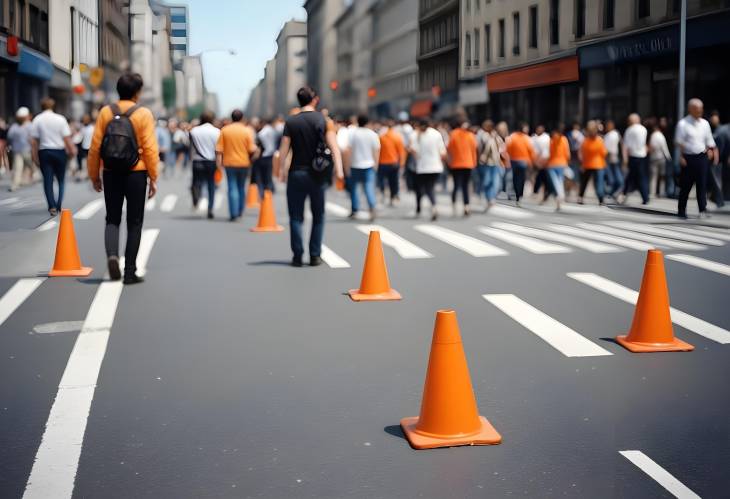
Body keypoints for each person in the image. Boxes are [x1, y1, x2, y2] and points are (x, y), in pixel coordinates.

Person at [87, 72, 159, 284]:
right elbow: (150, 149)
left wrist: (94, 175)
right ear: (137, 92)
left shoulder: (105, 112)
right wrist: (153, 177)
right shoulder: (143, 114)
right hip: (136, 172)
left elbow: (95, 148)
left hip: (110, 171)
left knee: (112, 218)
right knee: (135, 222)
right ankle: (129, 272)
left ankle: (112, 255)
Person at [278, 86, 344, 267]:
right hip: (318, 174)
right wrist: (339, 170)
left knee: (296, 216)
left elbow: (284, 149)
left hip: (296, 173)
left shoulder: (291, 121)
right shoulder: (324, 120)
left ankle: (297, 256)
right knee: (318, 215)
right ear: (314, 100)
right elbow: (334, 147)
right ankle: (315, 255)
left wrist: (281, 171)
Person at [30, 98, 76, 216]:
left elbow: (34, 141)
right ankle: (59, 203)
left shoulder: (37, 119)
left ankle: (52, 206)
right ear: (53, 106)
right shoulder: (60, 119)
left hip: (44, 152)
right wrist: (72, 150)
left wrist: (34, 156)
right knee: (61, 180)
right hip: (59, 152)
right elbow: (67, 138)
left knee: (47, 180)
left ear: (42, 106)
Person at [675, 98, 718, 219]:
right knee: (686, 185)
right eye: (697, 109)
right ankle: (681, 210)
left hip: (702, 157)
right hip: (688, 158)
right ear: (690, 109)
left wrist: (710, 150)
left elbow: (709, 140)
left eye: (701, 109)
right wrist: (681, 157)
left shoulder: (705, 123)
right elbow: (679, 143)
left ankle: (702, 210)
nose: (700, 111)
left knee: (702, 185)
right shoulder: (683, 124)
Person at [216, 109, 258, 221]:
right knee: (241, 187)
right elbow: (251, 149)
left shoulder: (224, 130)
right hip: (244, 163)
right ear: (242, 118)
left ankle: (233, 213)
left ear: (231, 118)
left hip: (229, 163)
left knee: (231, 187)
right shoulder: (247, 131)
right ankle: (240, 211)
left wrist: (218, 165)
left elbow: (219, 150)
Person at [409, 119, 446, 221]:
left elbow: (413, 150)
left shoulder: (415, 135)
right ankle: (431, 206)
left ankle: (429, 207)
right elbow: (442, 152)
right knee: (430, 187)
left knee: (422, 189)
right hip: (436, 166)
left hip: (422, 167)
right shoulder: (436, 133)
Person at [347, 114, 380, 221]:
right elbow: (376, 151)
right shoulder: (372, 134)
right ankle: (372, 207)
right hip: (369, 165)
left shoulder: (353, 133)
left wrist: (347, 165)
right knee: (368, 187)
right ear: (368, 122)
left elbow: (348, 150)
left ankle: (355, 209)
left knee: (354, 189)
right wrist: (376, 164)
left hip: (355, 164)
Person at [190, 111, 220, 219]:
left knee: (196, 183)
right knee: (211, 185)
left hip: (197, 160)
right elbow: (218, 150)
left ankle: (196, 199)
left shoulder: (194, 131)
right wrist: (219, 164)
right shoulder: (217, 131)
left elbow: (192, 147)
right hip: (211, 161)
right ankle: (210, 208)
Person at [447, 118, 477, 216]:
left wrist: (450, 161)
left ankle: (454, 203)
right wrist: (474, 162)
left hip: (456, 163)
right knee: (465, 186)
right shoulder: (471, 135)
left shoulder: (453, 134)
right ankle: (466, 206)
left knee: (456, 185)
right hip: (468, 164)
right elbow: (474, 150)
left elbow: (449, 148)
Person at [477, 119, 506, 212]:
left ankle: (491, 198)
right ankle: (490, 198)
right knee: (488, 182)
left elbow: (501, 150)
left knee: (493, 182)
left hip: (493, 162)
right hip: (487, 163)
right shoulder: (483, 136)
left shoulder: (496, 137)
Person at [377, 119, 406, 206]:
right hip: (394, 163)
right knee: (393, 181)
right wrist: (402, 163)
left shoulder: (381, 137)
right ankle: (393, 196)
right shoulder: (397, 137)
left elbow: (378, 150)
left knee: (382, 180)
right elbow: (401, 152)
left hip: (382, 163)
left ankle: (383, 192)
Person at [505, 123, 535, 206]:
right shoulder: (527, 138)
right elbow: (531, 151)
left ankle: (517, 194)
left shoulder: (512, 136)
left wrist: (511, 156)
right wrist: (531, 161)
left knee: (515, 178)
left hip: (514, 160)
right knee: (521, 179)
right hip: (523, 161)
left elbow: (508, 148)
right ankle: (519, 195)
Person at [622, 113, 649, 204]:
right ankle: (645, 196)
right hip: (642, 156)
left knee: (631, 177)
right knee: (642, 177)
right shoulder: (644, 129)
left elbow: (625, 146)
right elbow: (644, 143)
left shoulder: (629, 130)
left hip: (633, 156)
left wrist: (625, 158)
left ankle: (624, 194)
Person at [578, 120, 607, 205]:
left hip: (588, 165)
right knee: (598, 183)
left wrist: (582, 163)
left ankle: (581, 197)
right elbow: (604, 153)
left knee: (584, 182)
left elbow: (581, 154)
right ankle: (601, 199)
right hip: (598, 165)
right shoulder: (600, 140)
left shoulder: (585, 141)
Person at [7, 107, 34, 191]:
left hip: (24, 150)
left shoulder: (28, 126)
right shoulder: (27, 126)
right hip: (21, 151)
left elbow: (9, 137)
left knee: (25, 166)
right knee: (20, 168)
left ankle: (23, 180)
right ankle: (16, 184)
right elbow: (9, 137)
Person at [546, 124, 570, 210]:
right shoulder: (564, 139)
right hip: (562, 164)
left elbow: (548, 152)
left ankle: (559, 199)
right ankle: (560, 198)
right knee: (559, 181)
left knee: (555, 182)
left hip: (552, 164)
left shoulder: (551, 140)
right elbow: (567, 154)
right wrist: (567, 162)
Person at [253, 118, 278, 196]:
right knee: (268, 174)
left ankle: (263, 192)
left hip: (263, 155)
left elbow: (259, 145)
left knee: (261, 176)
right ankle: (270, 190)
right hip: (270, 155)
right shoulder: (273, 130)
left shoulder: (261, 133)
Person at [648, 118, 672, 198]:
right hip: (661, 158)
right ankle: (661, 192)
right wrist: (668, 157)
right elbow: (664, 148)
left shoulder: (652, 136)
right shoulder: (661, 136)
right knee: (662, 177)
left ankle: (652, 192)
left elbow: (651, 147)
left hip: (653, 158)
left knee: (653, 176)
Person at [602, 120, 623, 200]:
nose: (607, 127)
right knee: (611, 179)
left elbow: (621, 145)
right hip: (608, 158)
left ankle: (612, 193)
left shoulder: (615, 134)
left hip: (614, 158)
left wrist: (623, 157)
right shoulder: (607, 135)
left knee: (616, 178)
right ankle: (610, 193)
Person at [531, 124, 550, 196]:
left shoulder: (546, 138)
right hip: (535, 160)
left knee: (541, 175)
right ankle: (539, 190)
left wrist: (541, 160)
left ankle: (538, 191)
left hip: (543, 160)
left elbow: (545, 151)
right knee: (539, 176)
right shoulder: (533, 138)